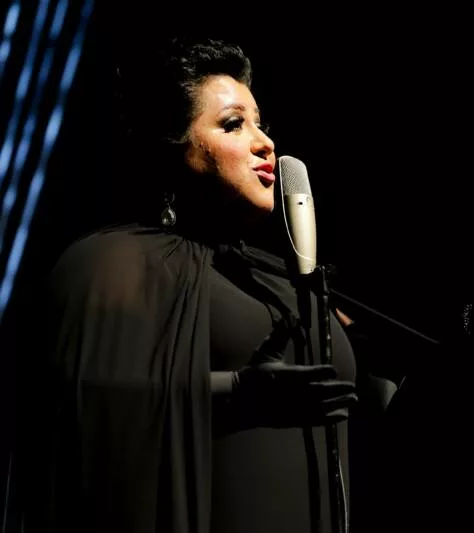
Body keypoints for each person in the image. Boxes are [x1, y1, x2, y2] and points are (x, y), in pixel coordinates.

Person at [14, 37, 397, 533]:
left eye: (261, 125)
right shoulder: (116, 261)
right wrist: (235, 391)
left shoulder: (288, 282)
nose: (265, 143)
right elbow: (82, 402)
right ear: (172, 146)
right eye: (234, 124)